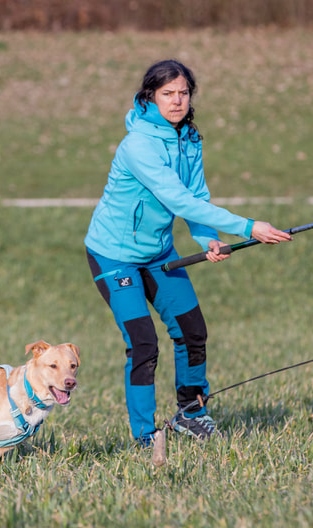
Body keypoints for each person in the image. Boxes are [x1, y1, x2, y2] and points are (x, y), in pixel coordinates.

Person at [84, 59, 291, 445]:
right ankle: (146, 438)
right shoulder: (138, 146)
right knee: (143, 343)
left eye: (183, 92)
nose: (177, 101)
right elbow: (177, 198)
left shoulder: (189, 138)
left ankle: (191, 413)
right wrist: (248, 227)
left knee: (193, 331)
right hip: (113, 255)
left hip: (159, 251)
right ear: (150, 97)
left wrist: (207, 238)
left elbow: (196, 198)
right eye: (168, 94)